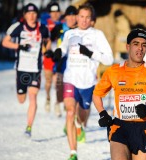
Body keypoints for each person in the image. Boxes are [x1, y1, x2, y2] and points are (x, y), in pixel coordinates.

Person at [93, 28, 146, 160]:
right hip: (119, 127)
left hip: (142, 128)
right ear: (128, 47)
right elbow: (97, 94)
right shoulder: (114, 71)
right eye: (136, 44)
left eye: (144, 45)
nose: (140, 48)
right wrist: (103, 113)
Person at [54, 3, 113, 160]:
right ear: (77, 17)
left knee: (81, 116)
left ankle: (80, 126)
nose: (84, 20)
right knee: (70, 112)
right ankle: (73, 152)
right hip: (70, 79)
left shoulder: (97, 35)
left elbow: (109, 59)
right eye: (81, 16)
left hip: (87, 83)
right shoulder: (69, 34)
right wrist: (57, 53)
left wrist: (90, 53)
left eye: (88, 17)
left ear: (92, 19)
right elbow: (63, 48)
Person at [2, 3, 51, 137]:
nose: (31, 16)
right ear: (24, 15)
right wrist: (19, 46)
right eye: (29, 13)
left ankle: (28, 127)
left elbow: (47, 41)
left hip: (35, 69)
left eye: (34, 13)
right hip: (21, 69)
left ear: (37, 15)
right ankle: (20, 92)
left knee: (33, 97)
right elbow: (5, 42)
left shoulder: (42, 28)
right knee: (21, 99)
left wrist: (46, 50)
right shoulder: (18, 27)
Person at [50, 5, 78, 117]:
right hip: (61, 60)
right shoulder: (59, 27)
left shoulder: (80, 29)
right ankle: (58, 101)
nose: (71, 18)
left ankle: (71, 110)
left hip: (75, 61)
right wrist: (50, 51)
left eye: (74, 15)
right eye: (69, 16)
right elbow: (49, 41)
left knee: (74, 87)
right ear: (65, 17)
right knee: (59, 84)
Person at [42, 1, 62, 113]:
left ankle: (57, 103)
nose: (55, 14)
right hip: (49, 56)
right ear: (50, 13)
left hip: (59, 56)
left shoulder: (64, 23)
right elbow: (43, 40)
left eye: (57, 12)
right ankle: (48, 98)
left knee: (58, 82)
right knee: (49, 81)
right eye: (52, 12)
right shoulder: (46, 24)